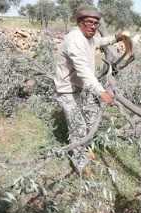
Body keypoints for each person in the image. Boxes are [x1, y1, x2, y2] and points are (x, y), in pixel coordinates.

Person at [54, 6, 129, 174]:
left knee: (91, 117)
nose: (93, 26)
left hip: (80, 87)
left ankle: (86, 149)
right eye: (89, 22)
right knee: (78, 127)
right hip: (67, 90)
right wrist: (102, 92)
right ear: (80, 22)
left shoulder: (89, 37)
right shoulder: (75, 40)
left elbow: (100, 42)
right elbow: (84, 71)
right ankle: (81, 165)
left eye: (96, 23)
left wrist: (117, 37)